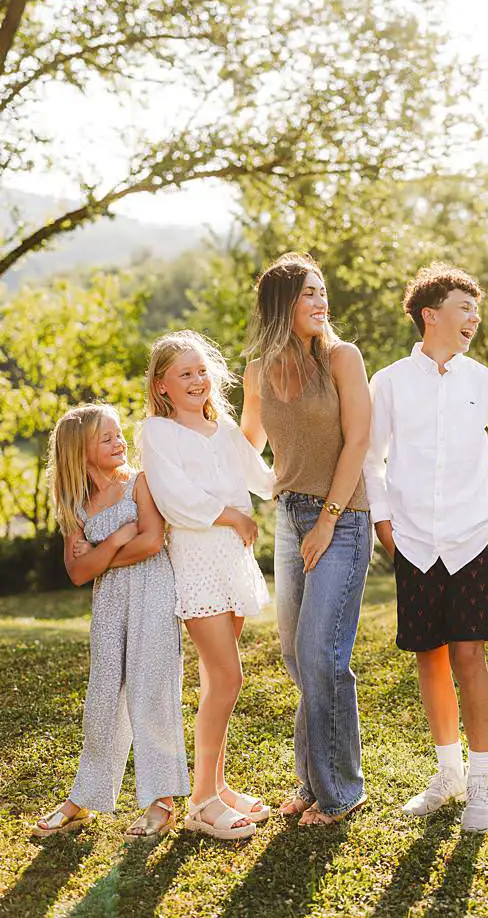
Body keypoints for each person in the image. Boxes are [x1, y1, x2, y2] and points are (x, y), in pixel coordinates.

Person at [365, 263, 488, 834]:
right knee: (428, 658)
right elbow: (371, 458)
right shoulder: (386, 382)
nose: (473, 318)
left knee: (469, 657)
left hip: (473, 538)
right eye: (464, 308)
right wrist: (385, 525)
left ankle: (483, 783)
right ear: (430, 316)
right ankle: (448, 773)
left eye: (475, 309)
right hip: (411, 541)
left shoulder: (487, 382)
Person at [241, 252, 373, 827]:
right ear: (280, 306)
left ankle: (339, 791)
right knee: (299, 659)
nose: (321, 303)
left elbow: (359, 440)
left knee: (323, 656)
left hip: (340, 518)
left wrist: (326, 519)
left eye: (323, 292)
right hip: (287, 515)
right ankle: (311, 781)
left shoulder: (342, 358)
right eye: (308, 295)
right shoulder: (256, 371)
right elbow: (243, 446)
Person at [139, 330, 274, 841]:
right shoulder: (157, 431)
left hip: (231, 562)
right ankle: (201, 801)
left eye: (202, 371)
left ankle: (215, 785)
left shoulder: (223, 428)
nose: (197, 380)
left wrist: (312, 471)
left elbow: (262, 479)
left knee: (220, 679)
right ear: (163, 385)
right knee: (227, 677)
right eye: (185, 373)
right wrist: (233, 517)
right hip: (197, 563)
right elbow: (175, 499)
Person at [32, 404, 188, 840]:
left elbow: (153, 541)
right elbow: (79, 573)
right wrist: (121, 537)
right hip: (108, 605)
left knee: (150, 690)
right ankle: (85, 796)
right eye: (107, 439)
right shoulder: (75, 505)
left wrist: (102, 552)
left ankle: (161, 800)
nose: (120, 443)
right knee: (102, 697)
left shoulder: (140, 482)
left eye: (119, 435)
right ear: (80, 452)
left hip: (153, 594)